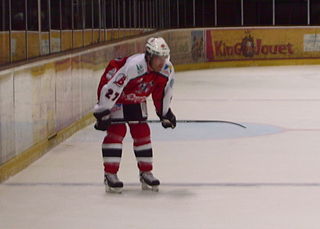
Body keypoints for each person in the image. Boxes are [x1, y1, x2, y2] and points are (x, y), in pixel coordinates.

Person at [93, 37, 176, 193]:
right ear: (149, 56)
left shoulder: (166, 69)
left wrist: (165, 113)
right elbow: (112, 87)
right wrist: (103, 111)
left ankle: (146, 172)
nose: (162, 62)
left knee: (142, 132)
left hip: (137, 99)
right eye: (158, 57)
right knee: (117, 132)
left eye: (164, 57)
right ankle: (110, 174)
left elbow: (163, 92)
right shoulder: (134, 66)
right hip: (117, 97)